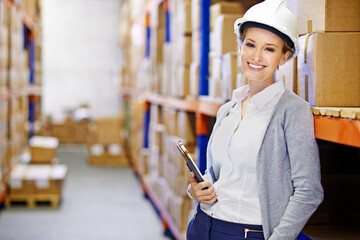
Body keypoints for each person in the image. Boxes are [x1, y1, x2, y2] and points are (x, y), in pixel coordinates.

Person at [186, 0, 324, 239]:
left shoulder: (292, 111)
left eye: (269, 49)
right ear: (240, 46)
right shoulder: (227, 109)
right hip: (202, 226)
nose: (256, 56)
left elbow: (309, 191)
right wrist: (196, 189)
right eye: (250, 44)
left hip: (248, 232)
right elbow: (217, 174)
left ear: (284, 57)